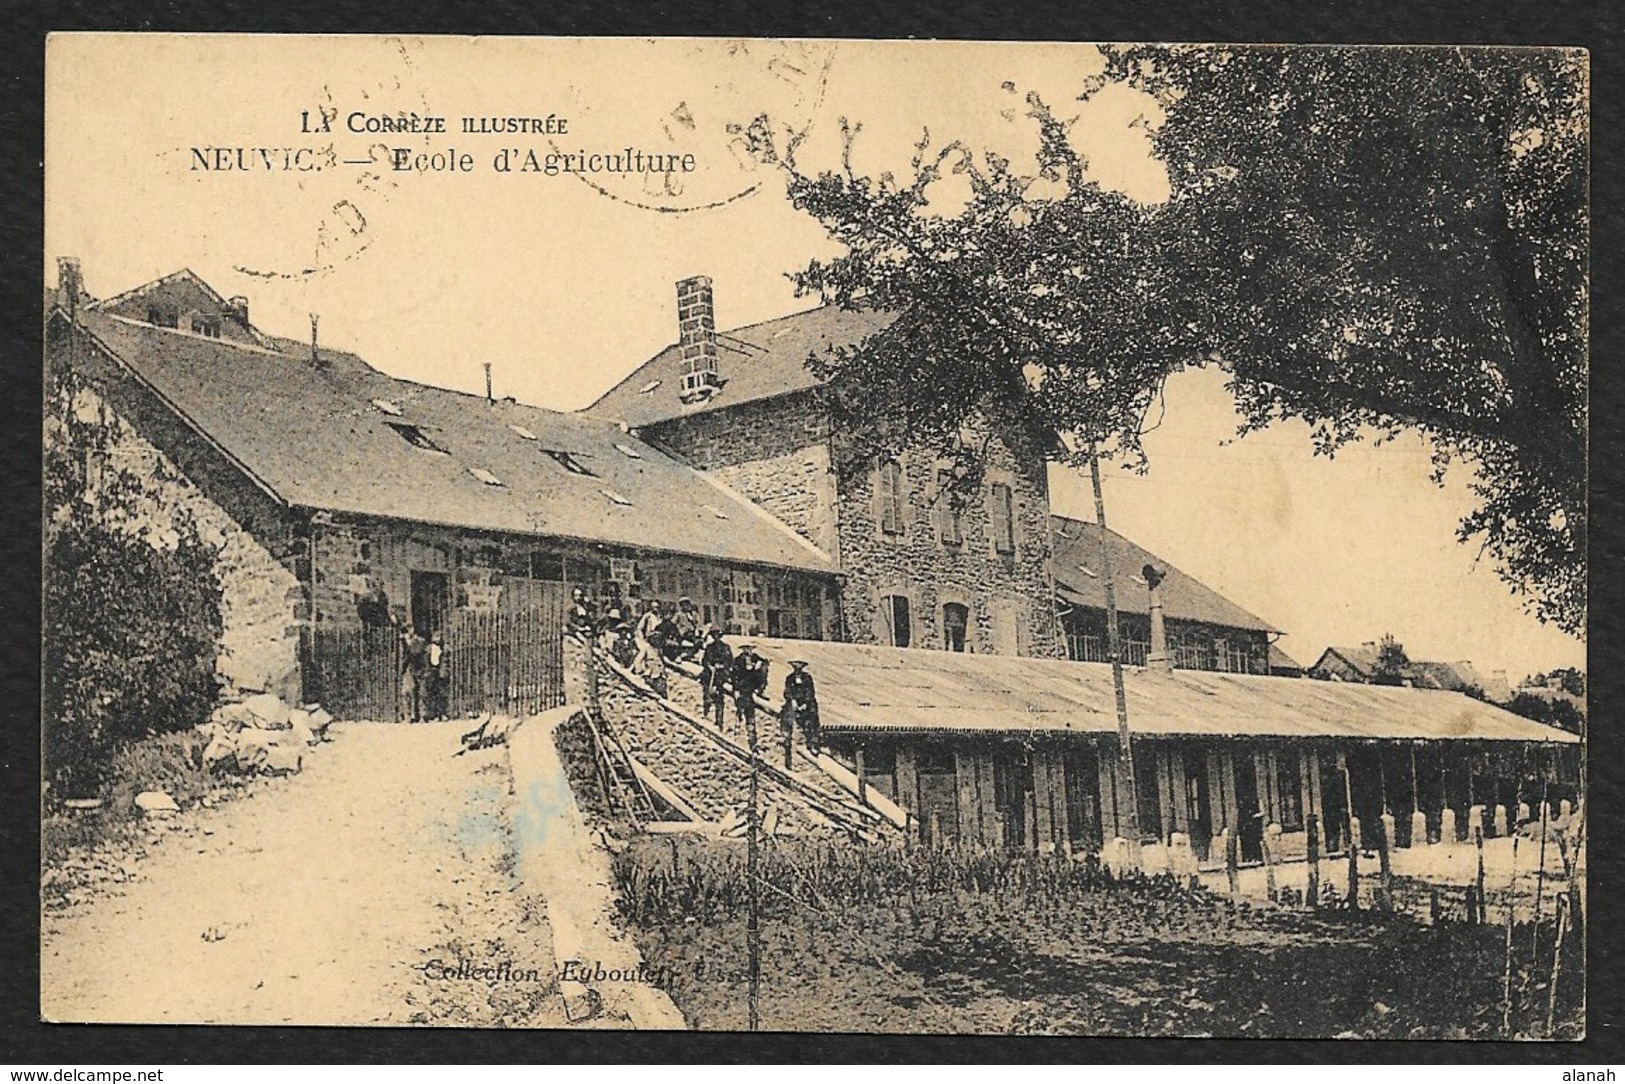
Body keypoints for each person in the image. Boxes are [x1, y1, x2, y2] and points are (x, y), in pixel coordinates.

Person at [783, 659, 821, 756]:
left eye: (799, 667)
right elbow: (787, 692)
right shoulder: (789, 678)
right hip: (795, 704)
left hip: (808, 704)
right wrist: (793, 700)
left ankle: (813, 745)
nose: (797, 669)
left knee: (810, 723)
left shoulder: (807, 678)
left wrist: (805, 704)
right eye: (795, 667)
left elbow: (810, 692)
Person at [731, 643, 770, 736]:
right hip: (742, 687)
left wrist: (761, 665)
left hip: (753, 686)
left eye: (749, 649)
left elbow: (765, 665)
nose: (747, 651)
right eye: (745, 649)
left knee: (750, 710)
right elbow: (735, 676)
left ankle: (750, 728)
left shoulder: (756, 659)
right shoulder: (738, 660)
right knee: (740, 706)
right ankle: (737, 725)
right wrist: (736, 689)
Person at [699, 628, 733, 729]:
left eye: (718, 635)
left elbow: (730, 661)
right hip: (709, 675)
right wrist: (710, 666)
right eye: (714, 635)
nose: (716, 637)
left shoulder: (726, 648)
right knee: (707, 695)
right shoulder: (709, 648)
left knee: (719, 699)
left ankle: (719, 721)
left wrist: (722, 666)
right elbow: (704, 661)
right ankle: (706, 715)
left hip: (720, 676)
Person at [398, 621, 428, 723]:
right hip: (409, 668)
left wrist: (407, 643)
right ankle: (408, 715)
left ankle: (421, 716)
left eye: (410, 628)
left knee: (421, 693)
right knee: (407, 692)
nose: (408, 631)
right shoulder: (402, 642)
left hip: (420, 668)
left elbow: (414, 652)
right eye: (406, 629)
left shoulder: (419, 641)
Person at [425, 629, 449, 721]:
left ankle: (442, 713)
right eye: (436, 637)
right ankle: (432, 714)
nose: (437, 639)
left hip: (440, 672)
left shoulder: (445, 648)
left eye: (439, 637)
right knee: (431, 693)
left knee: (441, 694)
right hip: (431, 671)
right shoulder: (428, 648)